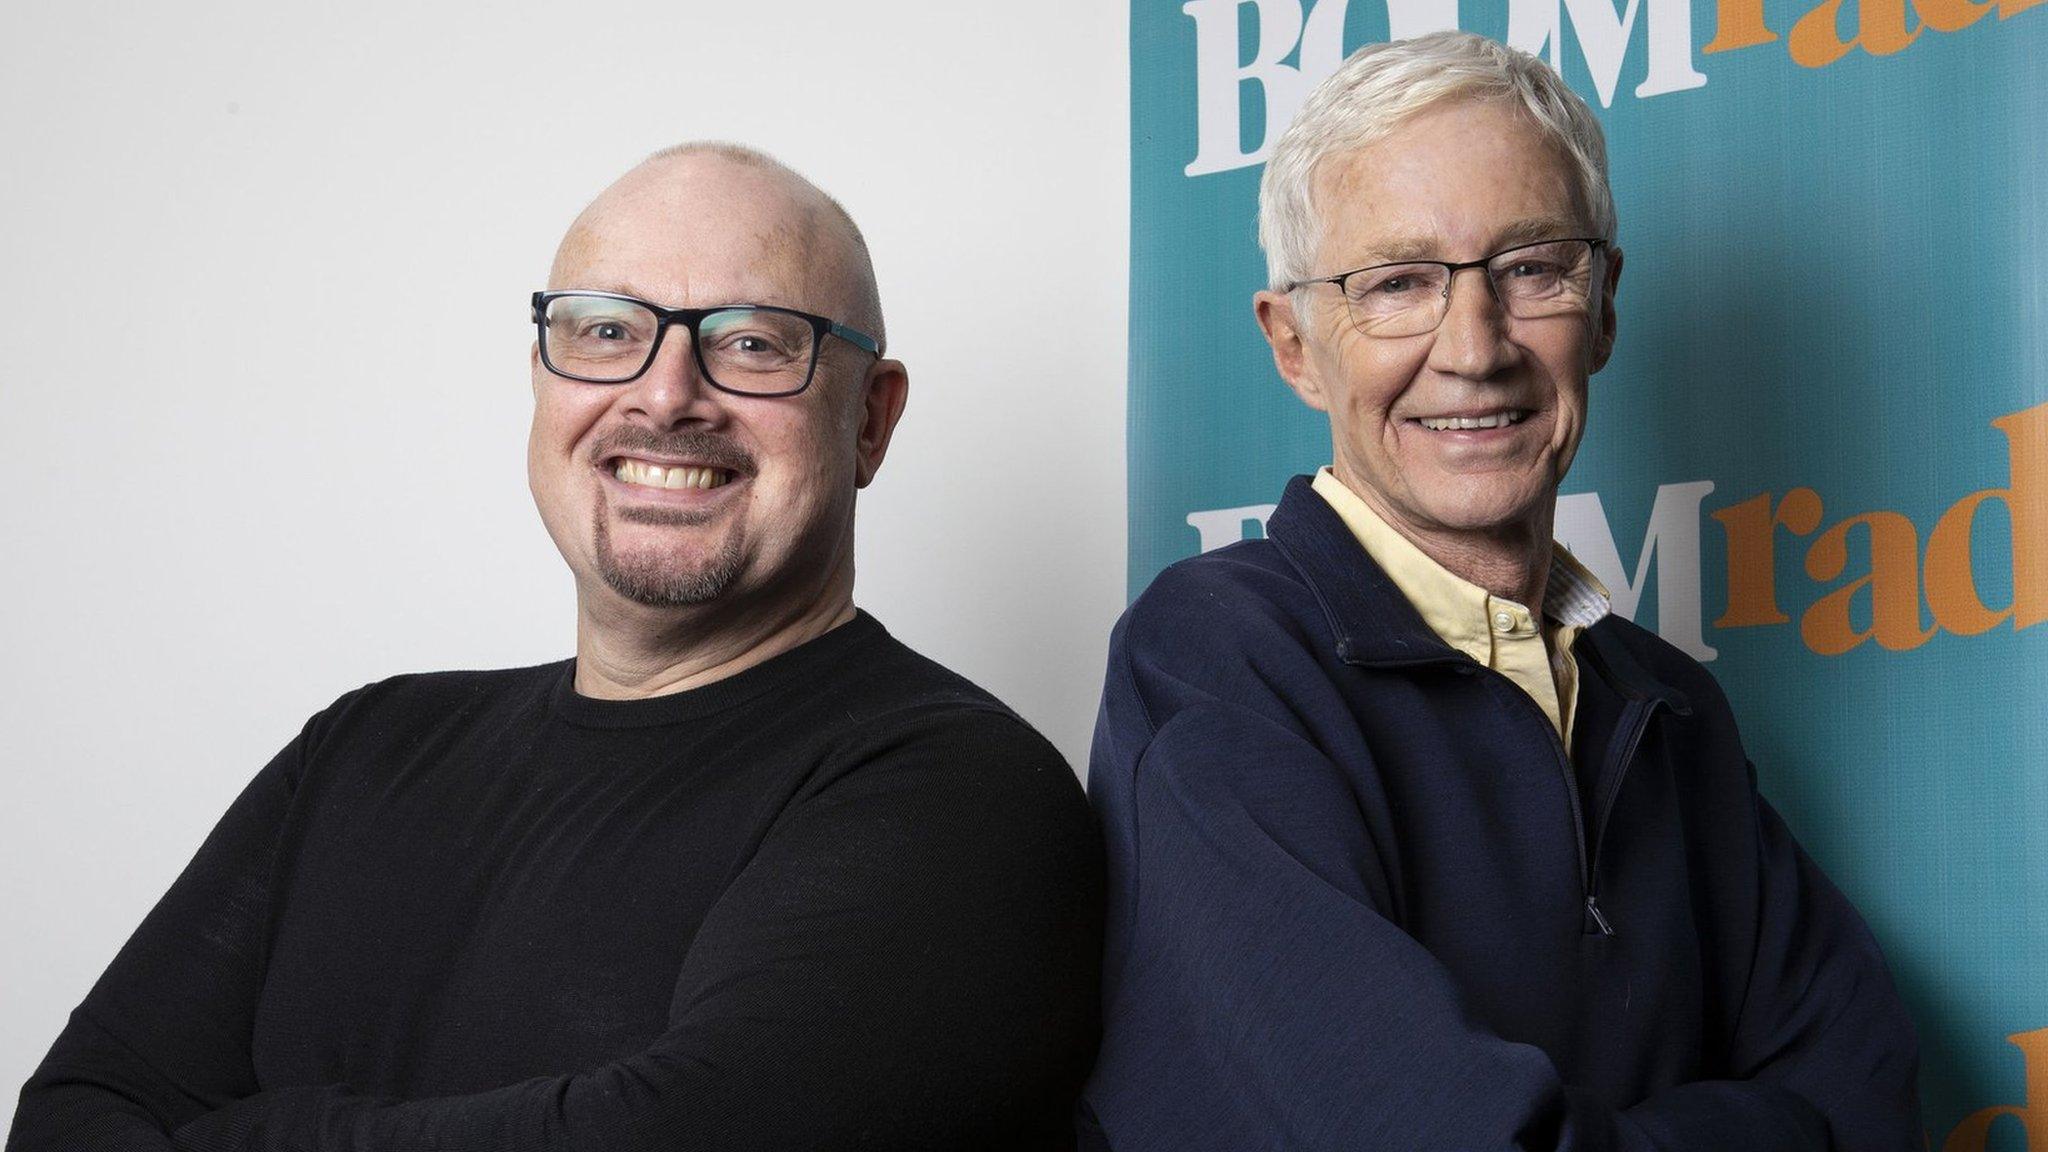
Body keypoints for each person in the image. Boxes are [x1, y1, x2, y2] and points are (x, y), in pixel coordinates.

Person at [8, 143, 1102, 1152]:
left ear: (869, 420)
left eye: (753, 342)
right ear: (542, 377)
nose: (666, 394)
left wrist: (247, 1133)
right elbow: (72, 1120)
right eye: (606, 331)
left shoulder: (960, 792)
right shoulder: (362, 750)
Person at [1082, 31, 1919, 1152]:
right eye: (1395, 283)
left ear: (1603, 306)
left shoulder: (1663, 703)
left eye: (1530, 268)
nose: (1473, 349)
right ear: (1293, 344)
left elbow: (1863, 1102)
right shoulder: (1214, 659)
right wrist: (1753, 1128)